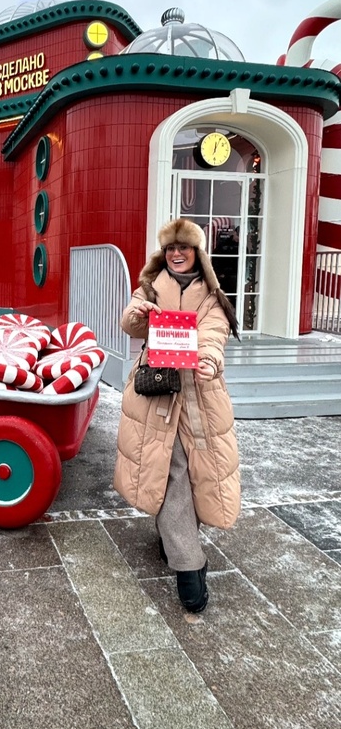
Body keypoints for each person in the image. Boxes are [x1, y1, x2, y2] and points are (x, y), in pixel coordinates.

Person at [114, 218, 241, 614]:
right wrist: (140, 313)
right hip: (158, 393)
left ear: (196, 252)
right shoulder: (151, 286)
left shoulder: (211, 295)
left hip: (200, 395)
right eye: (171, 248)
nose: (177, 254)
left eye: (183, 247)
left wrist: (209, 360)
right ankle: (189, 564)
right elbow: (129, 322)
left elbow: (214, 335)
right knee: (171, 470)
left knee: (197, 474)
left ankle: (172, 536)